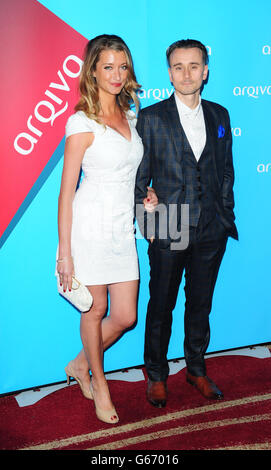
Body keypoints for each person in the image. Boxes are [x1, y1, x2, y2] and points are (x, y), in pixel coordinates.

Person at [56, 34, 157, 424]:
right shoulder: (81, 122)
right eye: (108, 67)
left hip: (121, 227)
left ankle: (80, 364)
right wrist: (65, 252)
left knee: (127, 316)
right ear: (93, 71)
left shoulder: (131, 115)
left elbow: (128, 172)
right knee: (95, 308)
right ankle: (99, 383)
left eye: (123, 66)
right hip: (89, 227)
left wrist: (145, 192)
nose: (117, 74)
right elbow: (66, 194)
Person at [135, 39, 238, 407]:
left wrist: (225, 214)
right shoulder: (151, 118)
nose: (187, 74)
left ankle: (196, 368)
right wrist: (145, 206)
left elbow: (225, 170)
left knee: (200, 303)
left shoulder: (220, 114)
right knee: (161, 304)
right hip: (169, 225)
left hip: (212, 226)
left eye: (194, 66)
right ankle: (157, 375)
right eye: (178, 67)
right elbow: (137, 177)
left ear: (205, 71)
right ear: (169, 73)